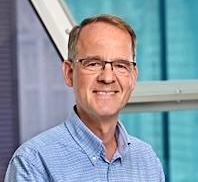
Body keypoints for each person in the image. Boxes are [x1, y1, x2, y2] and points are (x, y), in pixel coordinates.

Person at [5, 14, 165, 182]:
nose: (107, 77)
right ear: (69, 73)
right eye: (93, 63)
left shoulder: (147, 160)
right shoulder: (33, 163)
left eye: (120, 65)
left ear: (132, 78)